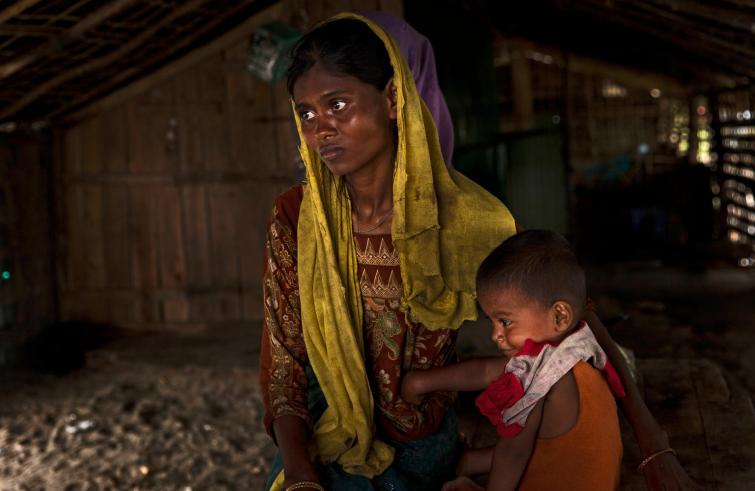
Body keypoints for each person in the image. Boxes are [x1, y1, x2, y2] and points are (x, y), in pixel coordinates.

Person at [259, 12, 699, 491]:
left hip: (424, 450)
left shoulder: (467, 219)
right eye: (305, 113)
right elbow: (284, 367)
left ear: (391, 99)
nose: (320, 128)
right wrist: (302, 476)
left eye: (338, 104)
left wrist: (653, 441)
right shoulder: (297, 219)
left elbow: (570, 317)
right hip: (329, 441)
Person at [401, 230, 625, 490]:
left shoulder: (540, 380)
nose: (496, 335)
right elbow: (486, 371)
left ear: (559, 316)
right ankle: (470, 462)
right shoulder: (579, 346)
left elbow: (514, 453)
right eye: (492, 321)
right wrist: (421, 382)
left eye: (505, 321)